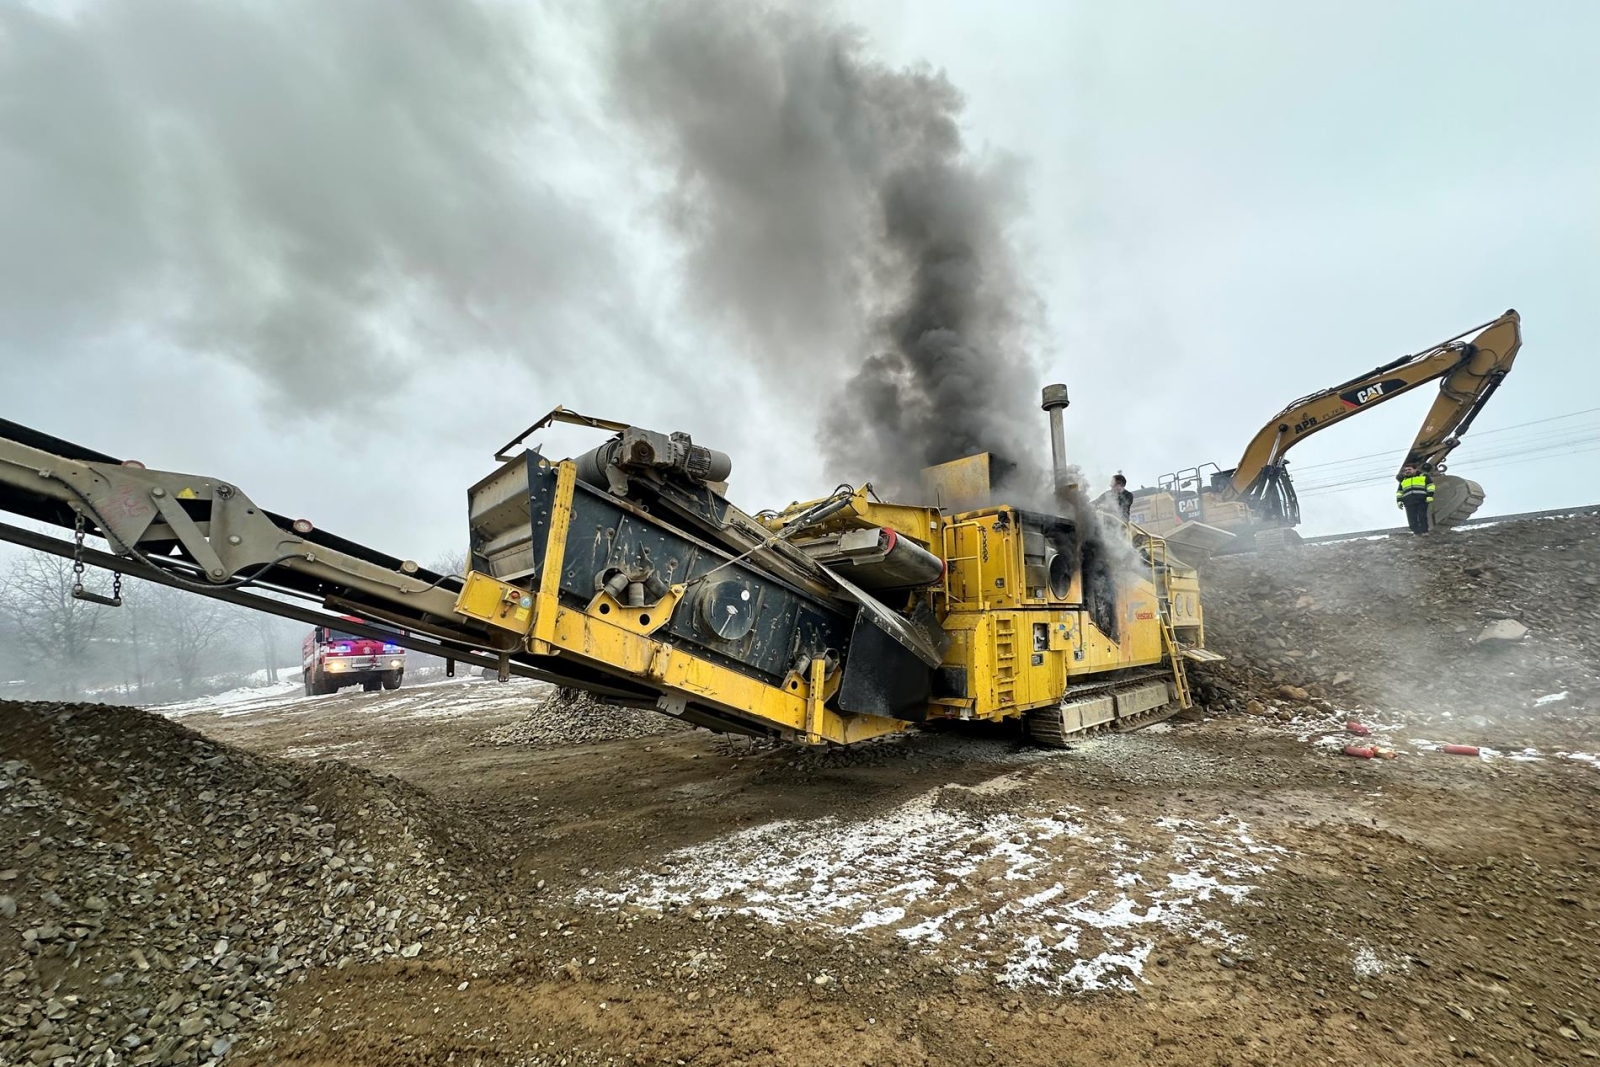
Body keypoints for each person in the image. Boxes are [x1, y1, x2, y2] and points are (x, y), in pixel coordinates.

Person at [1396, 465, 1435, 534]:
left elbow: (1430, 486)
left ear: (1415, 469)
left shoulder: (1423, 476)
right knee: (1411, 519)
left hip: (1421, 500)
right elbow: (1399, 492)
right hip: (1408, 502)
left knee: (1422, 516)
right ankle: (1416, 532)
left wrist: (1430, 496)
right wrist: (1399, 501)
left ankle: (1424, 532)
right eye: (1406, 470)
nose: (1407, 471)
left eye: (1409, 469)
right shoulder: (1403, 480)